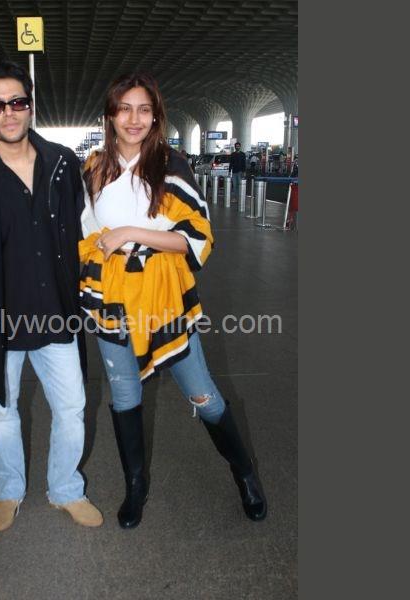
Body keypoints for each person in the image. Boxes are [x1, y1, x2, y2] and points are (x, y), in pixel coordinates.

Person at [79, 72, 267, 529]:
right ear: (110, 115)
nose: (134, 119)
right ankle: (135, 487)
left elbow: (197, 238)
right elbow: (82, 233)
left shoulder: (171, 165)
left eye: (144, 109)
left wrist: (131, 233)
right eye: (125, 108)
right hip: (114, 302)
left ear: (156, 116)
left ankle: (244, 473)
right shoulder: (94, 167)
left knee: (204, 396)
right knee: (125, 395)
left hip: (165, 300)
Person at [0, 58, 103, 532]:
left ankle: (66, 489)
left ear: (31, 106)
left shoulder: (62, 163)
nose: (8, 112)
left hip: (57, 315)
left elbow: (88, 230)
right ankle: (9, 490)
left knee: (71, 410)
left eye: (17, 102)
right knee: (1, 413)